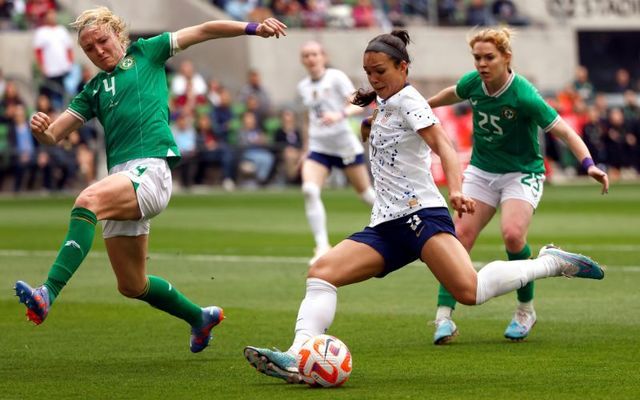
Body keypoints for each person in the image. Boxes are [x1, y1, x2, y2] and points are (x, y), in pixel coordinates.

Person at [243, 30, 605, 383]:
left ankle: (550, 262)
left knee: (470, 291)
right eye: (368, 72)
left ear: (403, 67)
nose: (373, 78)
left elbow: (445, 147)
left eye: (380, 71)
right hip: (386, 225)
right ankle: (299, 353)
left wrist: (457, 190)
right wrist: (370, 126)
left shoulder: (412, 101)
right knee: (321, 272)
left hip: (421, 216)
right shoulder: (385, 102)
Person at [14, 6, 286, 353]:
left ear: (118, 34)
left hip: (150, 172)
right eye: (89, 49)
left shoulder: (147, 52)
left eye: (102, 40)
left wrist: (252, 28)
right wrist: (41, 131)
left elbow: (203, 29)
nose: (98, 51)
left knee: (87, 202)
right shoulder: (93, 90)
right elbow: (54, 135)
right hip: (122, 179)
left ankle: (47, 292)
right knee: (131, 284)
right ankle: (199, 318)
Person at [426, 27, 609, 344]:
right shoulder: (474, 83)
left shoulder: (524, 94)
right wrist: (421, 106)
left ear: (506, 57)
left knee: (512, 235)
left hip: (521, 173)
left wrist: (589, 164)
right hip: (482, 171)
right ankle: (443, 317)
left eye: (489, 57)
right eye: (477, 58)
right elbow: (451, 94)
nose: (482, 64)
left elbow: (563, 131)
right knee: (458, 238)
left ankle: (525, 310)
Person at [296, 40, 375, 265]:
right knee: (310, 190)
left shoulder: (336, 77)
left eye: (314, 54)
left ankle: (399, 221)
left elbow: (358, 104)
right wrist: (305, 147)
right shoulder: (303, 86)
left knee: (365, 194)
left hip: (344, 145)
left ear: (323, 56)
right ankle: (321, 246)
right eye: (306, 55)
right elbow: (306, 119)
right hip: (319, 148)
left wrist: (339, 115)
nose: (311, 59)